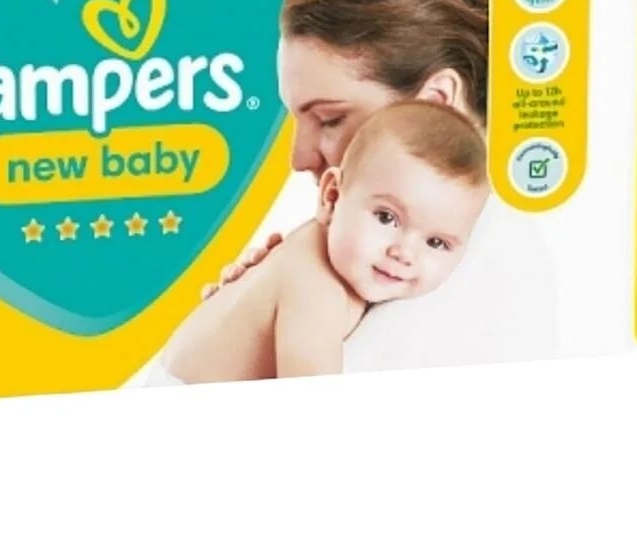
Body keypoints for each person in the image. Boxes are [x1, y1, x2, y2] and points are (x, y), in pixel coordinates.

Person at [198, 0, 557, 370]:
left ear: (437, 101)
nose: (299, 158)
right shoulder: (373, 265)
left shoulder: (488, 273)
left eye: (330, 119)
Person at [136, 103, 489, 385]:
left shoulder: (343, 259)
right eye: (386, 218)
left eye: (436, 242)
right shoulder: (316, 287)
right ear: (332, 196)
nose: (403, 253)